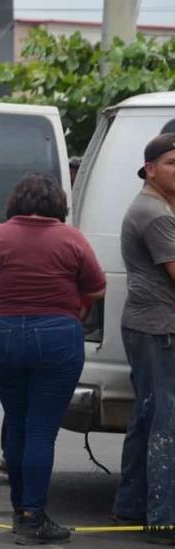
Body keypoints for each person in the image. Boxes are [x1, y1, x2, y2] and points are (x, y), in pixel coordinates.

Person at [0, 173, 105, 545]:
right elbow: (98, 286)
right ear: (58, 204)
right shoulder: (71, 237)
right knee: (42, 430)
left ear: (16, 201)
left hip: (4, 335)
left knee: (17, 422)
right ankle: (34, 517)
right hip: (57, 334)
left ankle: (19, 513)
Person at [112, 133, 175, 544]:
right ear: (149, 168)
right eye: (172, 163)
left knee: (147, 418)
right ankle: (162, 520)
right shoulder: (156, 214)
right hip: (158, 328)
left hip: (146, 324)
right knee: (166, 425)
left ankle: (129, 507)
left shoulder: (159, 206)